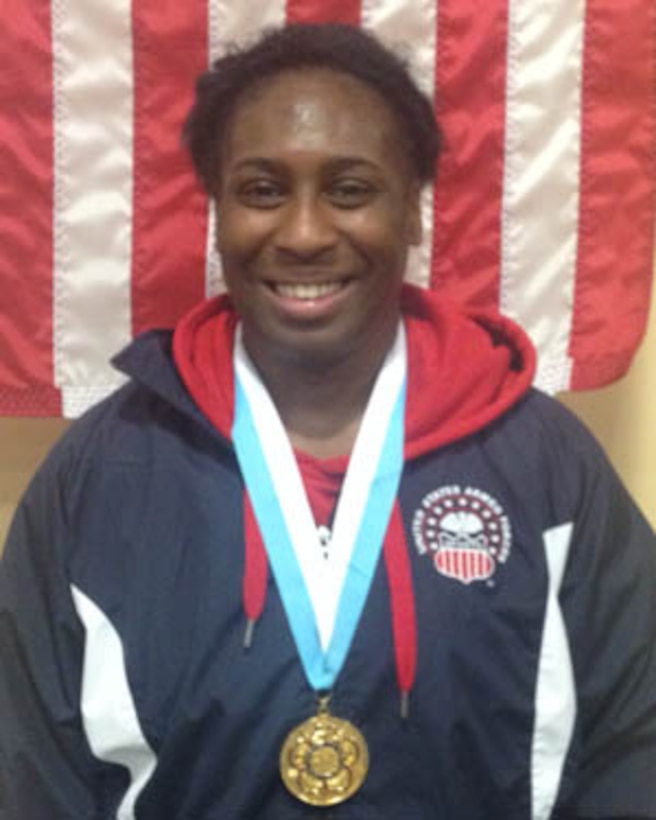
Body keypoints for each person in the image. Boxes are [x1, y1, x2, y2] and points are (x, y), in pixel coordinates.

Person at [1, 22, 655, 820]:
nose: (305, 233)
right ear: (217, 213)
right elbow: (30, 767)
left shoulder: (544, 465)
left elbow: (635, 742)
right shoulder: (103, 474)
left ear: (412, 213)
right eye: (262, 191)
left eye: (349, 190)